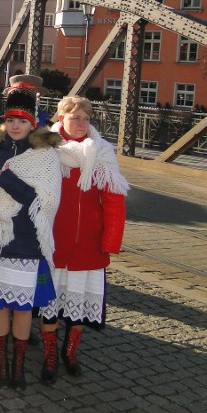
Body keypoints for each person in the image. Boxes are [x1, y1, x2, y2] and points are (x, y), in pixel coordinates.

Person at [0, 74, 61, 389]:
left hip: (26, 242)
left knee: (23, 308)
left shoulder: (45, 156)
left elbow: (43, 201)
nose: (15, 125)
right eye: (10, 119)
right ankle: (1, 364)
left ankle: (19, 366)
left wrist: (5, 179)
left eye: (21, 120)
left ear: (32, 123)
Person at [37, 96, 128, 383]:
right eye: (74, 117)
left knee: (79, 308)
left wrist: (110, 242)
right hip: (54, 240)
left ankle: (70, 352)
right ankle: (50, 355)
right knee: (50, 303)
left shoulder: (102, 152)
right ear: (61, 118)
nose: (81, 123)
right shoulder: (46, 148)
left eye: (86, 118)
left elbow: (114, 202)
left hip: (89, 243)